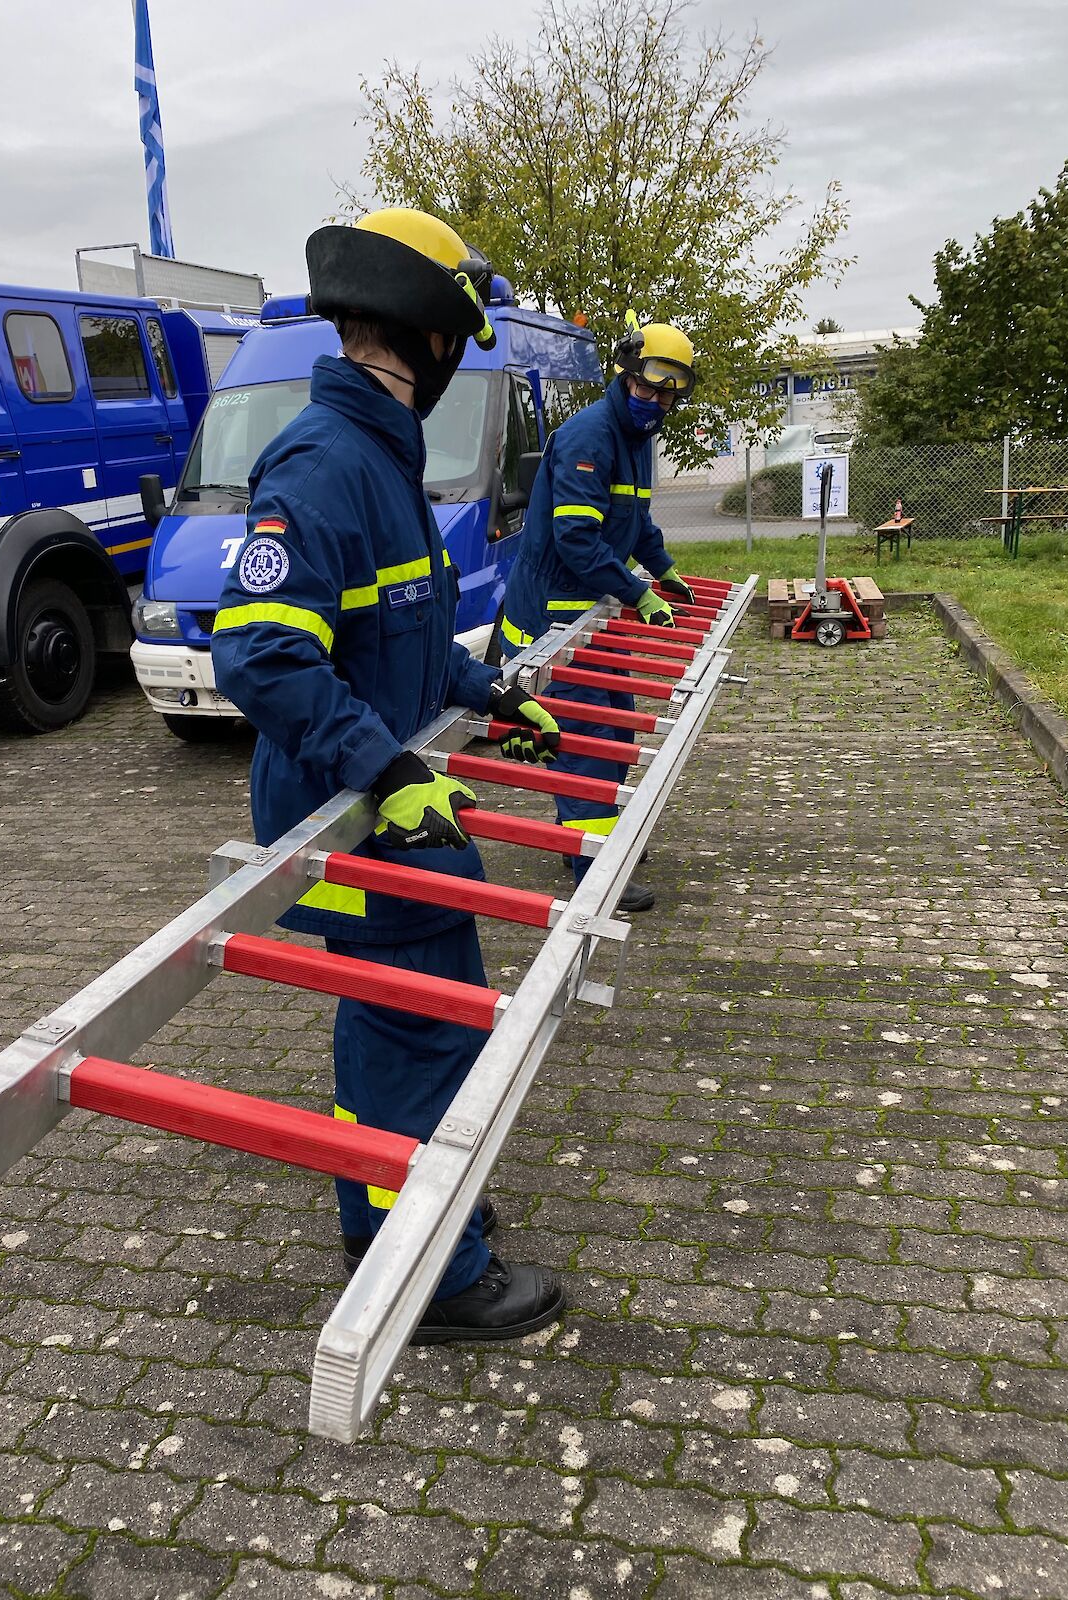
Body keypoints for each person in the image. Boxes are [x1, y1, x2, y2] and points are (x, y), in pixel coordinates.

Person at [210, 207, 565, 1342]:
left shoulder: (380, 455)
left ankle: (389, 1208)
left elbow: (397, 633)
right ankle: (435, 1271)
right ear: (432, 335)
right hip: (358, 805)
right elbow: (260, 649)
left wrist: (484, 688)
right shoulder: (327, 461)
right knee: (424, 1023)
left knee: (392, 1016)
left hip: (381, 791)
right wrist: (391, 769)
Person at [501, 314, 700, 914]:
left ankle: (585, 838)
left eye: (669, 393)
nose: (657, 401)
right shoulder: (590, 436)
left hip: (592, 610)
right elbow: (577, 540)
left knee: (612, 728)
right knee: (586, 736)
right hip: (554, 618)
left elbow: (633, 522)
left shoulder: (636, 442)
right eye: (649, 387)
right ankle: (594, 866)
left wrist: (660, 568)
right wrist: (638, 594)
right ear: (626, 374)